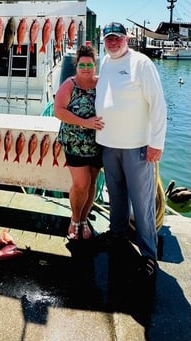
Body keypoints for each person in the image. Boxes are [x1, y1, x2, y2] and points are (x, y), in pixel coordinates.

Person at [95, 22, 167, 277]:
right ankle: (118, 236)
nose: (113, 42)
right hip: (109, 143)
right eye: (108, 39)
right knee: (116, 196)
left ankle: (149, 254)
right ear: (103, 41)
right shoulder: (104, 63)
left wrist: (156, 143)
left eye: (117, 38)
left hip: (137, 147)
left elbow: (158, 104)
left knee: (143, 201)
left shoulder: (142, 63)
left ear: (126, 39)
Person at [54, 45, 104, 240]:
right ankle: (74, 220)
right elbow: (59, 111)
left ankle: (84, 220)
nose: (86, 68)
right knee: (81, 184)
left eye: (89, 64)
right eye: (82, 64)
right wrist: (86, 123)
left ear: (95, 65)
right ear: (76, 65)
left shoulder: (101, 83)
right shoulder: (69, 84)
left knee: (91, 183)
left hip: (98, 142)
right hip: (74, 142)